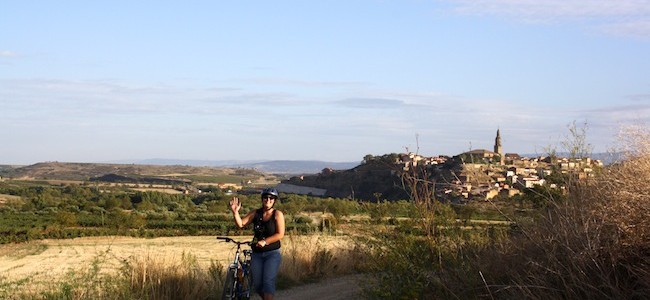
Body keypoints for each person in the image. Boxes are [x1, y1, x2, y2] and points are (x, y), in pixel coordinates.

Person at [230, 188, 285, 300]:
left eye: (271, 198)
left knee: (268, 282)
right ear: (262, 199)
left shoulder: (277, 214)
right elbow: (241, 224)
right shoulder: (255, 213)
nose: (268, 200)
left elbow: (280, 234)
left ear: (274, 200)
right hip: (257, 254)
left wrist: (265, 241)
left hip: (272, 254)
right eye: (266, 197)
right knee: (258, 285)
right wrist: (235, 212)